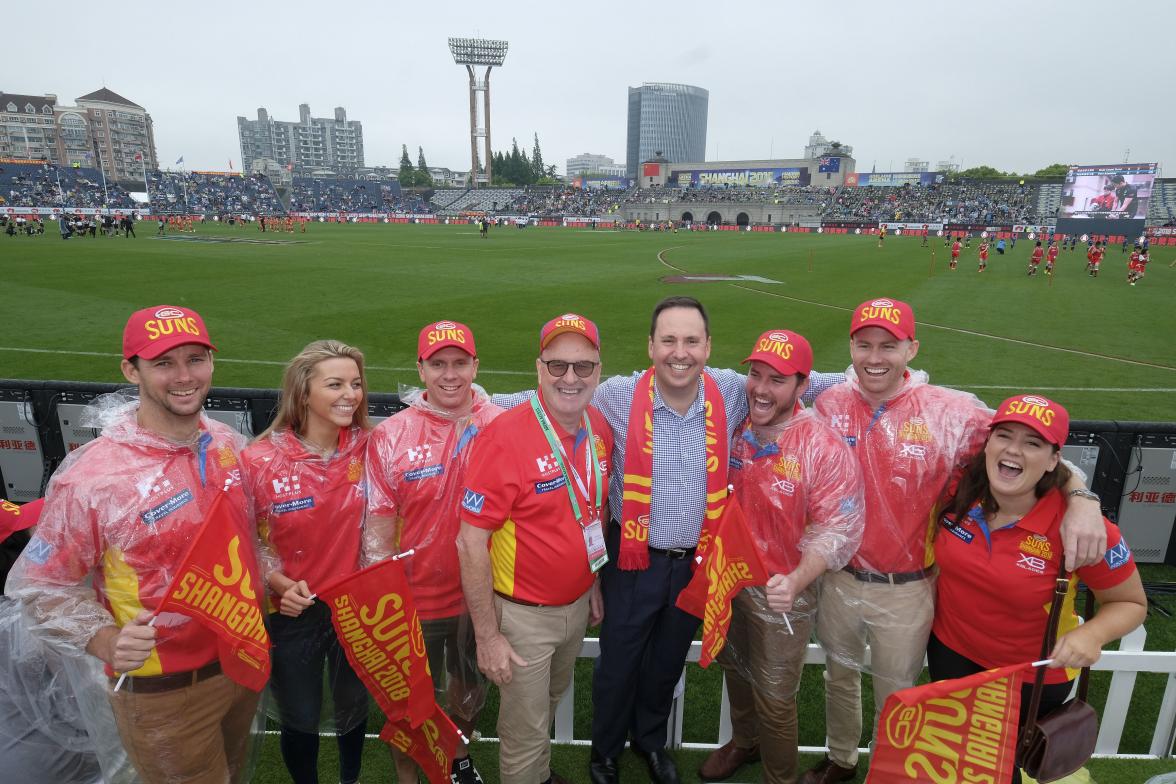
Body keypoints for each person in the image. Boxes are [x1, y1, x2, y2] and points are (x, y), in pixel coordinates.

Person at [800, 298, 1107, 784]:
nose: (875, 357)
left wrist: (1084, 497)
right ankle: (840, 759)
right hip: (838, 577)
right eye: (864, 345)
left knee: (896, 694)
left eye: (889, 346)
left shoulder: (951, 411)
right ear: (851, 348)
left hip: (907, 588)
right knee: (837, 676)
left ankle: (884, 772)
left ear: (912, 349)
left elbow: (1023, 448)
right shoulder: (831, 402)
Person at [585, 297, 845, 784]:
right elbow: (553, 398)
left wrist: (881, 379)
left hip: (698, 561)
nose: (678, 352)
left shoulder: (728, 388)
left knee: (665, 664)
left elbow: (818, 381)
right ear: (650, 346)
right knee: (618, 663)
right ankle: (604, 753)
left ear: (707, 347)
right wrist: (472, 399)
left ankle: (650, 742)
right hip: (633, 557)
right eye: (668, 340)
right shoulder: (616, 395)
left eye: (690, 340)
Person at [6, 305, 262, 784]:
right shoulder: (95, 476)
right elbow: (39, 586)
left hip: (239, 661)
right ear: (131, 369)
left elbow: (247, 540)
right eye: (164, 363)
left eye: (196, 359)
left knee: (234, 773)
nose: (185, 376)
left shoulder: (227, 442)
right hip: (162, 690)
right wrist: (106, 640)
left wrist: (277, 579)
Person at [929, 394, 1147, 784]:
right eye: (1004, 436)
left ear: (1053, 461)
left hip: (1029, 677)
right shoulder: (960, 488)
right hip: (951, 652)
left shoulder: (1083, 529)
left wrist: (1092, 633)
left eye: (1032, 443)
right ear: (988, 443)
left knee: (999, 770)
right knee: (956, 757)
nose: (1013, 450)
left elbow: (1130, 602)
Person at [698, 330, 864, 784]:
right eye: (755, 374)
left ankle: (779, 776)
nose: (761, 388)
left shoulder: (820, 445)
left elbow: (837, 530)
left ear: (801, 385)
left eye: (777, 379)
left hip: (783, 590)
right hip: (731, 579)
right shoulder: (736, 427)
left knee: (775, 695)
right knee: (734, 665)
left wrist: (795, 580)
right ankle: (745, 742)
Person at [457, 314, 610, 784]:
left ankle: (540, 778)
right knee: (523, 731)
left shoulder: (598, 427)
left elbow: (591, 509)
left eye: (582, 367)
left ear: (599, 370)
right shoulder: (503, 438)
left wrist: (595, 582)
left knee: (543, 706)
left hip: (577, 603)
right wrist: (488, 637)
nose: (570, 378)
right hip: (523, 617)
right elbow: (470, 542)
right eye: (558, 365)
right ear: (538, 369)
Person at [365, 321, 504, 784]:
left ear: (476, 366)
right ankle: (410, 776)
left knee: (468, 694)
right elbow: (379, 529)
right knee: (407, 706)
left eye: (460, 363)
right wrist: (385, 595)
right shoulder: (392, 434)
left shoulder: (497, 425)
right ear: (420, 370)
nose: (450, 374)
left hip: (476, 597)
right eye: (438, 364)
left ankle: (456, 762)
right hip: (412, 602)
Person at [241, 340, 372, 784]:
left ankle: (349, 779)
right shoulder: (258, 461)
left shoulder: (371, 448)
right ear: (302, 393)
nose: (349, 395)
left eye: (355, 384)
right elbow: (243, 544)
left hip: (357, 608)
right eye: (334, 384)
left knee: (354, 707)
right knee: (300, 715)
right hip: (292, 611)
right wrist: (277, 583)